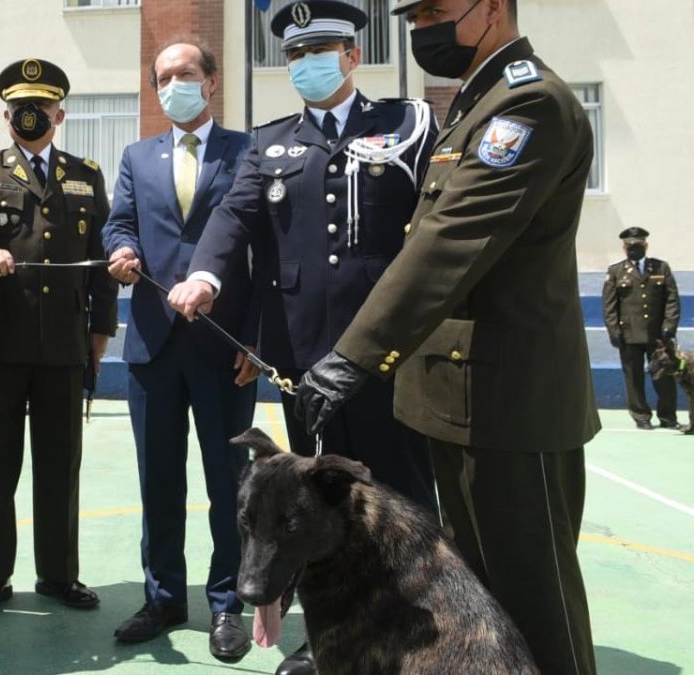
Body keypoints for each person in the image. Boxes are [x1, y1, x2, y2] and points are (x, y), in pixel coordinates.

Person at [227, 1, 600, 672]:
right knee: (483, 605)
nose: (417, 24)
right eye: (414, 12)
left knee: (535, 601)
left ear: (489, 8)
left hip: (513, 397)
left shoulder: (529, 103)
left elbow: (448, 241)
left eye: (434, 9)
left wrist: (352, 355)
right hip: (461, 397)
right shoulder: (472, 106)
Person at [167, 3, 439, 671]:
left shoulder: (407, 126)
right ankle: (330, 640)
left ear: (351, 54)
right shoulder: (270, 143)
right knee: (320, 515)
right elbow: (233, 218)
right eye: (295, 54)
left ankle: (415, 632)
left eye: (321, 49)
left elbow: (435, 232)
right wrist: (204, 275)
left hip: (387, 361)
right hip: (306, 368)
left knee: (400, 502)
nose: (307, 64)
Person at [101, 39, 257, 660]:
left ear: (211, 82)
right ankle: (164, 596)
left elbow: (263, 249)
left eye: (185, 74)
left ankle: (228, 603)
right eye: (163, 78)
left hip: (225, 346)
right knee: (159, 480)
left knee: (229, 486)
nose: (174, 86)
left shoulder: (247, 151)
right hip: (153, 345)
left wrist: (259, 340)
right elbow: (121, 220)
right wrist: (121, 250)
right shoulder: (138, 155)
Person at [0, 58, 118, 620]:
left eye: (41, 108)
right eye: (22, 108)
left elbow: (101, 255)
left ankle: (58, 574)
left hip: (64, 342)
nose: (31, 116)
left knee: (59, 462)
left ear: (59, 114)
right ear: (7, 116)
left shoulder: (85, 174)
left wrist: (100, 329)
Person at [602, 227, 681, 430]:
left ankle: (668, 416)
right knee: (633, 378)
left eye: (637, 246)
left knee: (664, 377)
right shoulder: (616, 272)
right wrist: (613, 331)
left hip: (658, 335)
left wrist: (669, 326)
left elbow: (672, 299)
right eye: (630, 247)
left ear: (646, 246)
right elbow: (609, 305)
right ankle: (641, 416)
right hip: (628, 334)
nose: (634, 250)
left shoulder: (661, 268)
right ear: (624, 249)